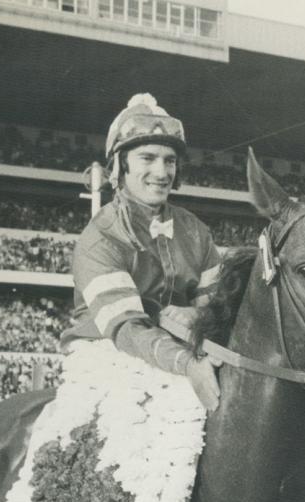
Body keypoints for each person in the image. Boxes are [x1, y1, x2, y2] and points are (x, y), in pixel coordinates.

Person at [60, 93, 223, 408]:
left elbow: (220, 311)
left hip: (186, 349)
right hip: (110, 351)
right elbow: (127, 328)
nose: (162, 173)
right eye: (147, 158)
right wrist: (186, 364)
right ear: (120, 165)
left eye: (170, 160)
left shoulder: (197, 231)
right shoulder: (100, 237)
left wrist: (200, 313)